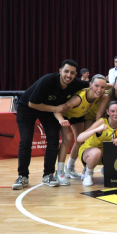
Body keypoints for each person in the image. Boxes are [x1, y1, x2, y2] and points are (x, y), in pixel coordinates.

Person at [12, 59, 89, 190]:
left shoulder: (76, 83)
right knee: (26, 141)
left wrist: (114, 86)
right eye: (66, 71)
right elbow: (32, 104)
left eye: (72, 73)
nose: (68, 75)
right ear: (60, 71)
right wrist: (56, 109)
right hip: (27, 108)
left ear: (76, 74)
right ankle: (22, 176)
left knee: (53, 140)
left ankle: (48, 175)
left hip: (48, 110)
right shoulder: (47, 80)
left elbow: (93, 84)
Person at [54, 74, 107, 185]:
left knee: (81, 140)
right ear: (91, 85)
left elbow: (109, 87)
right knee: (68, 138)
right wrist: (60, 120)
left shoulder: (100, 95)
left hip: (77, 116)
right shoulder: (78, 99)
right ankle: (59, 172)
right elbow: (57, 109)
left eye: (103, 87)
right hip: (63, 116)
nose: (99, 90)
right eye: (96, 86)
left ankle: (70, 168)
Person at [77, 101, 117, 186]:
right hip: (89, 151)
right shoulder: (101, 122)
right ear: (107, 112)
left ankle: (107, 169)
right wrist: (96, 130)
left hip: (106, 153)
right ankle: (88, 173)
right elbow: (79, 138)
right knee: (97, 152)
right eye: (112, 111)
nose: (115, 114)